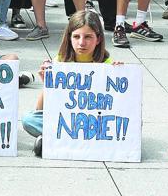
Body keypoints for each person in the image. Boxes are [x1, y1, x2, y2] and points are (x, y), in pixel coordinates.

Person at [21, 10, 117, 156]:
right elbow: (40, 110)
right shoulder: (60, 61)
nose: (81, 42)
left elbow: (117, 107)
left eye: (88, 37)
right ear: (69, 38)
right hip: (67, 122)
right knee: (29, 119)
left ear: (98, 39)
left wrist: (120, 75)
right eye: (76, 36)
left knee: (132, 124)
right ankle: (79, 140)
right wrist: (47, 83)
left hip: (94, 122)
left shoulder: (107, 64)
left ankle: (57, 139)